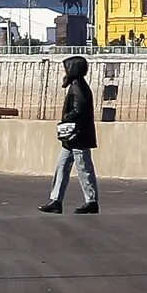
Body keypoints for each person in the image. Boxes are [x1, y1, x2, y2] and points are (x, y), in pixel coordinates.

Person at [40, 54, 98, 214]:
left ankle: (91, 201)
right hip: (74, 137)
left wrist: (66, 118)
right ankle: (56, 201)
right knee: (62, 166)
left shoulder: (77, 86)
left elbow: (78, 110)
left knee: (83, 168)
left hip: (78, 137)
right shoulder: (77, 85)